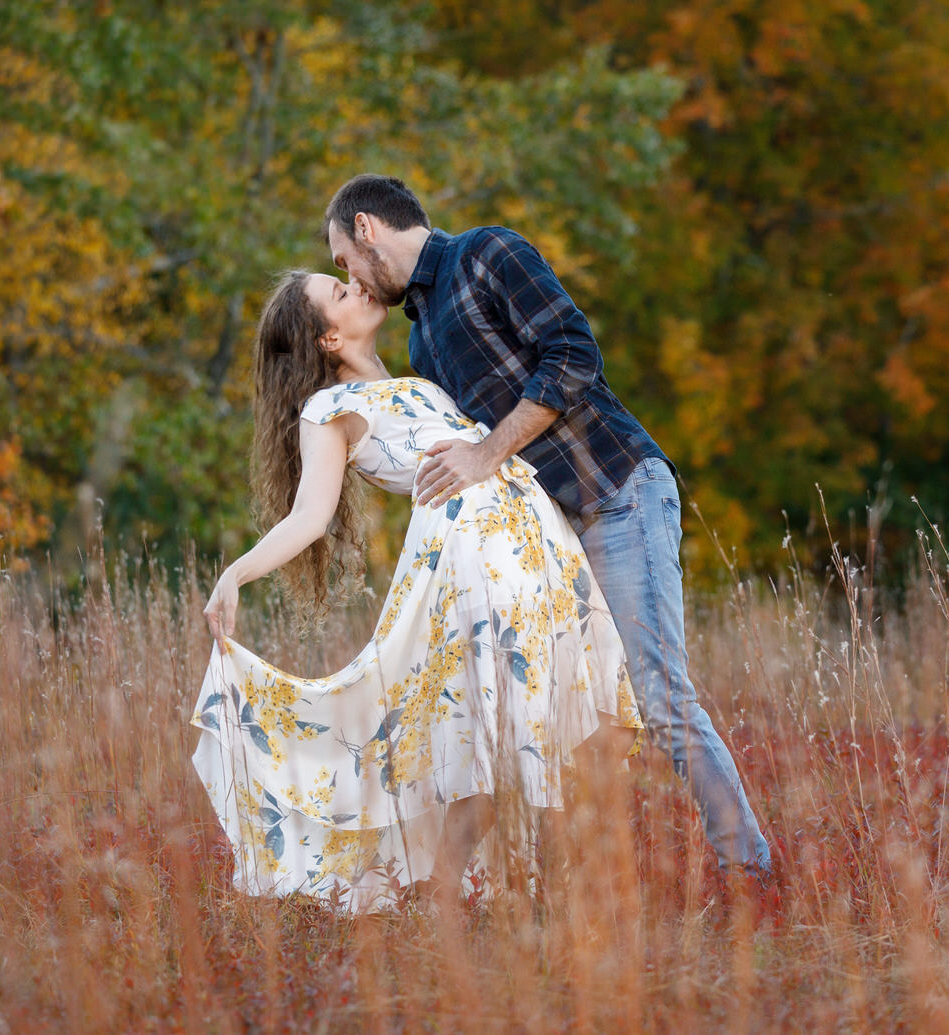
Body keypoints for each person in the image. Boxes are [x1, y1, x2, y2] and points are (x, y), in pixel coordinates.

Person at [322, 174, 773, 882]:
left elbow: (574, 357)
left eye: (343, 257)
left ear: (367, 226)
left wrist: (485, 452)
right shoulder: (422, 341)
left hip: (618, 493)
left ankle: (752, 870)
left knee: (659, 696)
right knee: (566, 710)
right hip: (554, 540)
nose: (345, 271)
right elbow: (428, 428)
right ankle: (565, 889)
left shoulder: (488, 252)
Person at [192, 269, 642, 915]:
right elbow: (308, 516)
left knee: (589, 715)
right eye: (340, 293)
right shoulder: (331, 409)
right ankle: (481, 896)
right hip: (474, 550)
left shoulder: (416, 378)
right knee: (502, 728)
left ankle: (537, 886)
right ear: (326, 337)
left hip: (535, 534)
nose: (357, 287)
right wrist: (235, 572)